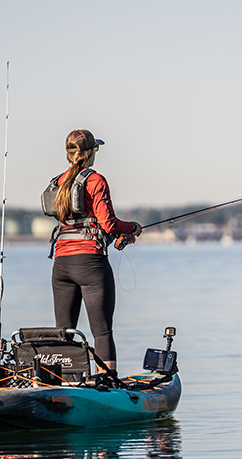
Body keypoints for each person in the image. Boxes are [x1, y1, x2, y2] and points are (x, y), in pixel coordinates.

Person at [46, 129, 141, 372]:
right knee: (102, 331)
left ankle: (64, 383)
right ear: (89, 153)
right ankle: (107, 382)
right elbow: (108, 223)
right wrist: (133, 227)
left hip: (61, 265)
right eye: (95, 150)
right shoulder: (95, 180)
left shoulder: (58, 182)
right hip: (91, 264)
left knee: (63, 332)